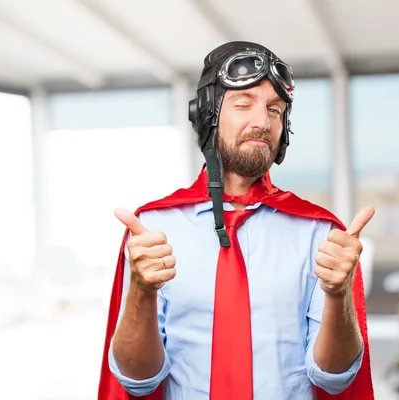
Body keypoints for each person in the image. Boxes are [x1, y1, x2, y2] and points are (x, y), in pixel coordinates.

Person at [98, 41, 375, 400]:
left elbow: (334, 379)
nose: (262, 121)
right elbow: (136, 380)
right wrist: (141, 292)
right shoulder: (152, 228)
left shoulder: (320, 232)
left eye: (275, 110)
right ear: (207, 116)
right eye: (243, 104)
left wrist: (338, 296)